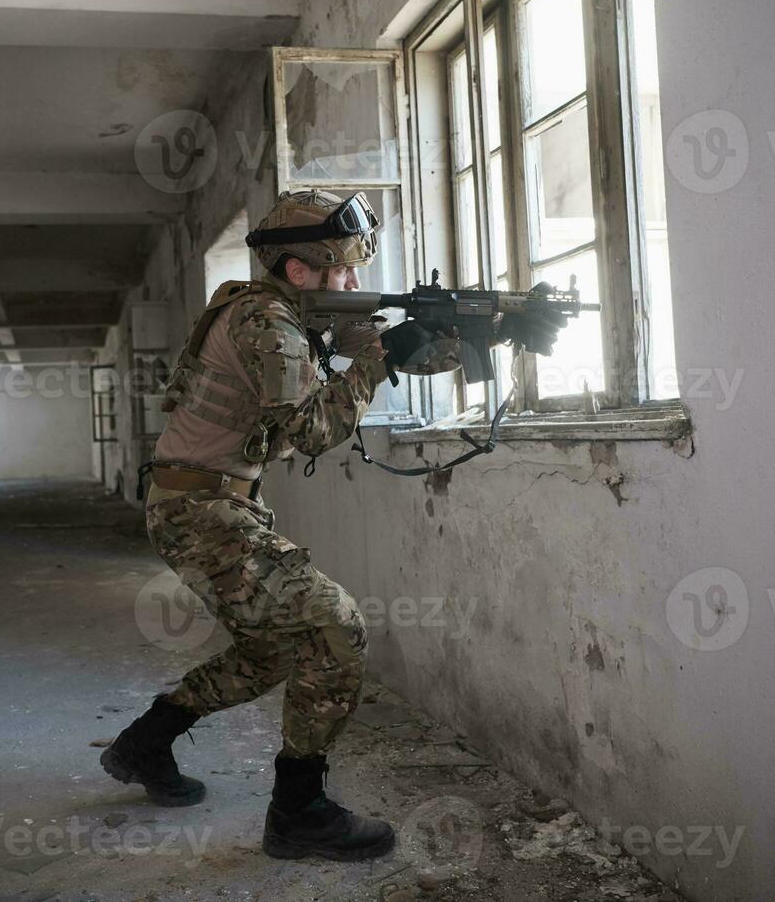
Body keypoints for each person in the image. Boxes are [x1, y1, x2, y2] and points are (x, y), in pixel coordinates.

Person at [101, 190, 553, 862]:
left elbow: (392, 351)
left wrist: (481, 332)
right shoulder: (265, 323)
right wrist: (375, 360)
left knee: (273, 651)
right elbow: (309, 429)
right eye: (342, 269)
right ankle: (299, 811)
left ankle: (145, 742)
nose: (354, 282)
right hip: (200, 512)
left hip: (211, 504)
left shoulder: (293, 313)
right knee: (335, 625)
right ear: (299, 270)